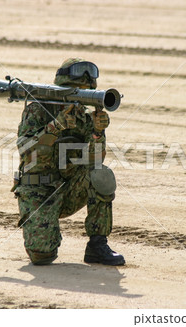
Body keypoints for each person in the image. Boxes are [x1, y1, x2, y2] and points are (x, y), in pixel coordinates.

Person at [12, 58, 125, 266]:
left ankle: (97, 245)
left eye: (87, 89)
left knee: (101, 174)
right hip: (40, 189)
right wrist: (56, 126)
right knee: (42, 256)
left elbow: (95, 159)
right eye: (78, 89)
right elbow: (27, 151)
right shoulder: (38, 109)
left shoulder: (83, 117)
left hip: (69, 188)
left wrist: (98, 132)